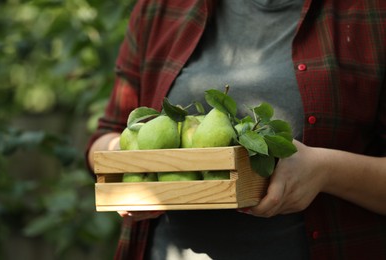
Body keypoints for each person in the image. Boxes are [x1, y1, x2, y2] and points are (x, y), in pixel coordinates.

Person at [86, 0, 386, 259]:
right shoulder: (162, 8)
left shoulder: (370, 13)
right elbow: (109, 134)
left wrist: (327, 170)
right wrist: (127, 167)